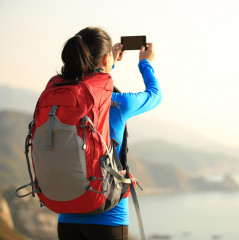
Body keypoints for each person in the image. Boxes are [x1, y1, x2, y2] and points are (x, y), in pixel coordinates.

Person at [57, 27, 162, 240]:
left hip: (67, 218)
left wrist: (108, 62)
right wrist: (145, 62)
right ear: (105, 58)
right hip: (109, 217)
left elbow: (88, 85)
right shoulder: (117, 103)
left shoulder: (62, 99)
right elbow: (154, 94)